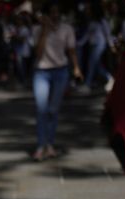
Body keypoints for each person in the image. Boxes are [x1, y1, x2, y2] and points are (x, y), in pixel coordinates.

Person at [31, 1, 83, 161]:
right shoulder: (37, 30)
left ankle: (50, 144)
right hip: (41, 72)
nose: (55, 15)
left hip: (61, 71)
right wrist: (45, 31)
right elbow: (38, 54)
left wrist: (76, 67)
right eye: (52, 12)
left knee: (53, 110)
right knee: (41, 110)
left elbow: (71, 50)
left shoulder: (67, 29)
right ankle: (41, 146)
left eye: (57, 12)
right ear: (45, 15)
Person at [77, 2, 115, 93]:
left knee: (91, 64)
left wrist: (111, 46)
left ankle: (87, 84)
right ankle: (110, 79)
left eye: (89, 9)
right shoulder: (92, 21)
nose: (88, 11)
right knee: (97, 66)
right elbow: (87, 35)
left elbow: (107, 35)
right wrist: (79, 43)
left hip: (99, 45)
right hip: (92, 45)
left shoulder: (102, 21)